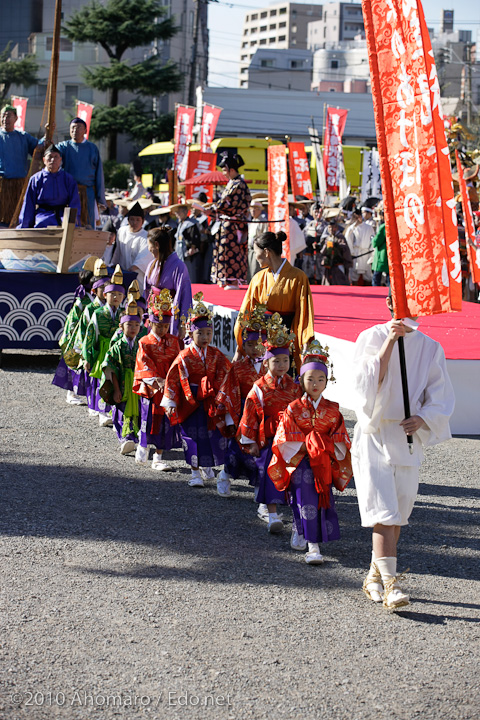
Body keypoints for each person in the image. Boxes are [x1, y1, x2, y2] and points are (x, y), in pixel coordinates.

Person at [351, 295, 455, 609]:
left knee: (399, 510)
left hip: (407, 436)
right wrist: (389, 343)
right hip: (376, 432)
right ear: (389, 305)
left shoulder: (430, 347)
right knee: (383, 511)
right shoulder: (370, 337)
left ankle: (374, 576)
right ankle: (393, 585)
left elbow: (440, 394)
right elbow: (366, 383)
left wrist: (423, 417)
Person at [268, 340, 352, 564]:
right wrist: (310, 443)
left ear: (327, 381)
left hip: (322, 462)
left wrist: (323, 445)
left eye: (320, 379)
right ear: (302, 381)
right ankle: (313, 547)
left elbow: (341, 439)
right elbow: (284, 436)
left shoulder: (333, 410)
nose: (315, 384)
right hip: (300, 460)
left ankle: (301, 529)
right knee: (305, 498)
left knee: (318, 500)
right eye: (310, 379)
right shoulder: (293, 408)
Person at [237, 314, 302, 532]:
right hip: (268, 439)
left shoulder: (294, 387)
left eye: (286, 360)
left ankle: (293, 513)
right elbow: (250, 414)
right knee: (268, 473)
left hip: (291, 440)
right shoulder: (259, 387)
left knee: (291, 474)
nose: (282, 365)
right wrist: (251, 441)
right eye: (277, 361)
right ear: (266, 362)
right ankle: (271, 513)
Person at [162, 293, 231, 489]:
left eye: (208, 333)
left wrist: (218, 392)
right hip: (190, 401)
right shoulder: (184, 356)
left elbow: (227, 374)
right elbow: (174, 378)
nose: (205, 337)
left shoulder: (216, 354)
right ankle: (194, 473)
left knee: (212, 435)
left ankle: (207, 465)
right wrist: (171, 402)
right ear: (191, 334)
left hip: (209, 400)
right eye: (200, 333)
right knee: (192, 436)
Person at [234, 230, 315, 371]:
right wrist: (239, 348)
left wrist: (305, 341)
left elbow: (304, 312)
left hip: (287, 336)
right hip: (262, 339)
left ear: (266, 252)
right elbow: (246, 312)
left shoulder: (298, 277)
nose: (255, 255)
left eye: (255, 251)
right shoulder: (258, 278)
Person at [214, 305, 268, 497]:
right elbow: (228, 393)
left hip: (263, 416)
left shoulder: (271, 368)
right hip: (242, 413)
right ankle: (225, 474)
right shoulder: (237, 368)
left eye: (259, 344)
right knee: (237, 451)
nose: (255, 349)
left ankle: (258, 487)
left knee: (261, 452)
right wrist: (230, 419)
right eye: (250, 345)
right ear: (243, 346)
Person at [133, 289, 182, 471]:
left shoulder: (174, 341)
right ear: (150, 323)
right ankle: (143, 444)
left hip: (168, 386)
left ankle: (158, 456)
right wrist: (156, 380)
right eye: (158, 325)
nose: (162, 329)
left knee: (165, 422)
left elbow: (178, 362)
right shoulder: (144, 342)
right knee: (148, 418)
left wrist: (171, 381)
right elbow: (143, 362)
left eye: (165, 326)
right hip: (152, 387)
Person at [82, 265, 125, 427]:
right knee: (103, 380)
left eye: (119, 294)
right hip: (102, 351)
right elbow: (90, 336)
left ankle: (116, 414)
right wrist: (87, 357)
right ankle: (102, 412)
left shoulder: (125, 314)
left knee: (118, 382)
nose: (116, 297)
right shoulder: (98, 314)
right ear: (105, 295)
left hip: (118, 353)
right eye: (112, 294)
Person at [52, 257, 98, 404]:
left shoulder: (90, 299)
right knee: (74, 365)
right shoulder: (82, 301)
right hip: (78, 336)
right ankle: (71, 393)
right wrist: (75, 337)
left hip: (89, 335)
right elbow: (72, 321)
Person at [101, 297, 142, 455]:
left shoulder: (141, 344)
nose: (133, 328)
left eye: (137, 325)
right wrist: (116, 389)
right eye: (129, 324)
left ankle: (136, 437)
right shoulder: (117, 346)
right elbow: (111, 368)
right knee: (121, 410)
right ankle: (125, 438)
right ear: (121, 326)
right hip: (123, 384)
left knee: (138, 410)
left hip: (138, 384)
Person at [209, 152, 251, 289]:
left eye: (225, 170)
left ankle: (232, 280)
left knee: (231, 251)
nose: (224, 173)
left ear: (232, 170)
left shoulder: (238, 185)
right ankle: (225, 279)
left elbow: (229, 205)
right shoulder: (232, 183)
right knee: (224, 251)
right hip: (228, 223)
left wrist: (214, 209)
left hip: (234, 224)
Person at [57, 117, 106, 227]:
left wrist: (101, 198)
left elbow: (99, 174)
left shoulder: (92, 148)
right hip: (68, 192)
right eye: (73, 128)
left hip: (87, 192)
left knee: (87, 222)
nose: (75, 130)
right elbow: (51, 154)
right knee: (69, 224)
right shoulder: (63, 147)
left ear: (85, 130)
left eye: (79, 128)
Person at [144, 226, 192, 338]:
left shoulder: (179, 266)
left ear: (156, 245)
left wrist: (183, 323)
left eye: (149, 246)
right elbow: (146, 291)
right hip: (153, 317)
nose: (149, 249)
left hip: (168, 319)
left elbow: (185, 296)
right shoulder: (152, 264)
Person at [17, 145, 81, 228]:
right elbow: (28, 203)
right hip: (43, 214)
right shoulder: (36, 179)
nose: (53, 160)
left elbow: (74, 202)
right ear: (44, 160)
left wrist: (73, 220)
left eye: (56, 157)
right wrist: (24, 225)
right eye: (50, 157)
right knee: (41, 224)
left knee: (70, 227)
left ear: (60, 160)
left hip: (63, 214)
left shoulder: (68, 179)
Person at [0, 104, 41, 225]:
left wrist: (48, 135)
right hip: (2, 183)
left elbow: (39, 147)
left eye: (8, 116)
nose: (5, 119)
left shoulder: (23, 137)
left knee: (18, 216)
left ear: (15, 119)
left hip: (19, 184)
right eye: (2, 116)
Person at [108, 201, 152, 289]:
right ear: (128, 220)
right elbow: (117, 251)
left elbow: (144, 257)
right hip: (121, 273)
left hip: (137, 275)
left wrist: (131, 269)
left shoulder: (146, 236)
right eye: (132, 219)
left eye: (138, 220)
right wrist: (114, 264)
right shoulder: (122, 231)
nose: (134, 223)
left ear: (142, 221)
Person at [317, 218, 352, 286]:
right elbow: (323, 251)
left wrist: (337, 246)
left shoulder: (340, 237)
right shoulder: (327, 238)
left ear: (336, 227)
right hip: (329, 266)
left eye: (333, 227)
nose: (331, 229)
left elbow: (345, 249)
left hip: (338, 265)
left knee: (340, 283)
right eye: (329, 227)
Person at [174, 203, 202, 283]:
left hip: (187, 252)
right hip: (179, 250)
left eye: (179, 212)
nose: (177, 214)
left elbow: (194, 236)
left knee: (189, 272)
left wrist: (192, 247)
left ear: (185, 212)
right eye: (177, 213)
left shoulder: (191, 223)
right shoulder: (180, 223)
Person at [345, 208, 374, 285]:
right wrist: (352, 252)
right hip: (356, 253)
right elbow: (348, 240)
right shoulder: (351, 228)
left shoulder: (369, 227)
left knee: (368, 275)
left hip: (366, 252)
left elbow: (372, 240)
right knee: (354, 275)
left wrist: (372, 254)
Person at [247, 198, 268, 280]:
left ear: (259, 210)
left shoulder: (263, 221)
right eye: (251, 209)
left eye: (255, 209)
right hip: (250, 249)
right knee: (250, 270)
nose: (253, 211)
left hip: (258, 249)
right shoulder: (252, 221)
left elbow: (265, 235)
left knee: (256, 270)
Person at [371, 212, 389, 286]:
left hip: (382, 255)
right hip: (389, 255)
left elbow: (376, 242)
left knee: (376, 278)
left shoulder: (383, 227)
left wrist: (373, 238)